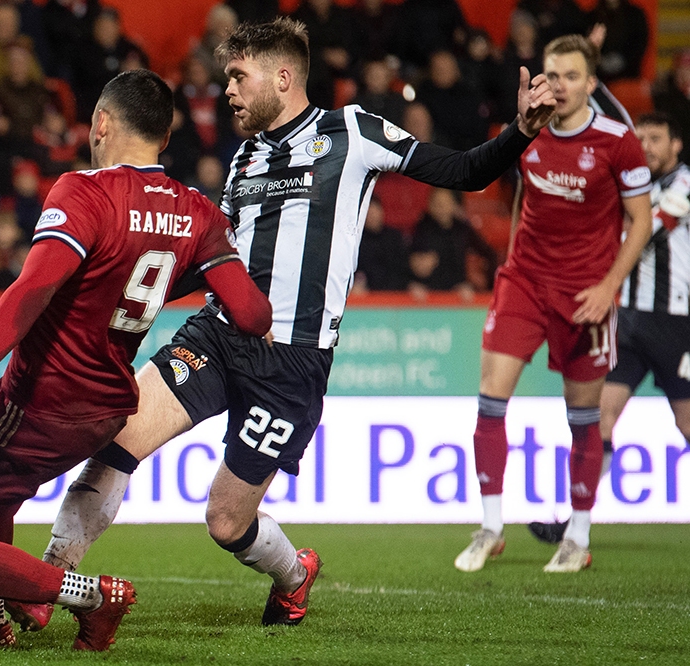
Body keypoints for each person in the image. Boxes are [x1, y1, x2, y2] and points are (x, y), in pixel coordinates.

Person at [32, 17, 555, 631]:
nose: (227, 89)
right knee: (116, 438)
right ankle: (48, 582)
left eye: (237, 76)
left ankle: (293, 573)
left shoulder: (352, 131)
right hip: (217, 336)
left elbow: (464, 172)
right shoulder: (244, 158)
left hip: (291, 364)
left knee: (226, 523)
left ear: (282, 77)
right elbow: (212, 262)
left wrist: (519, 132)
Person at [0, 69, 273, 651]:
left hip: (40, 403)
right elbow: (250, 314)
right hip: (107, 407)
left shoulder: (83, 192)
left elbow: (30, 291)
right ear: (165, 139)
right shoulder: (197, 212)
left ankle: (87, 594)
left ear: (101, 124)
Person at [454, 34, 652, 574]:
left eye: (570, 76)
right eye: (551, 75)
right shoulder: (527, 131)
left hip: (586, 294)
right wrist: (515, 261)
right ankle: (491, 527)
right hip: (524, 283)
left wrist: (610, 285)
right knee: (490, 401)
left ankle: (578, 537)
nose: (558, 86)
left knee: (583, 418)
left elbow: (642, 222)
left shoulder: (618, 141)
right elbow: (517, 196)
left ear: (591, 83)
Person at [528, 112, 690, 544]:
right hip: (629, 321)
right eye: (642, 139)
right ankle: (575, 517)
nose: (647, 146)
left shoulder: (684, 183)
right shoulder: (632, 187)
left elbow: (652, 228)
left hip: (677, 323)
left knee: (687, 424)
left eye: (657, 138)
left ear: (677, 145)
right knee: (599, 418)